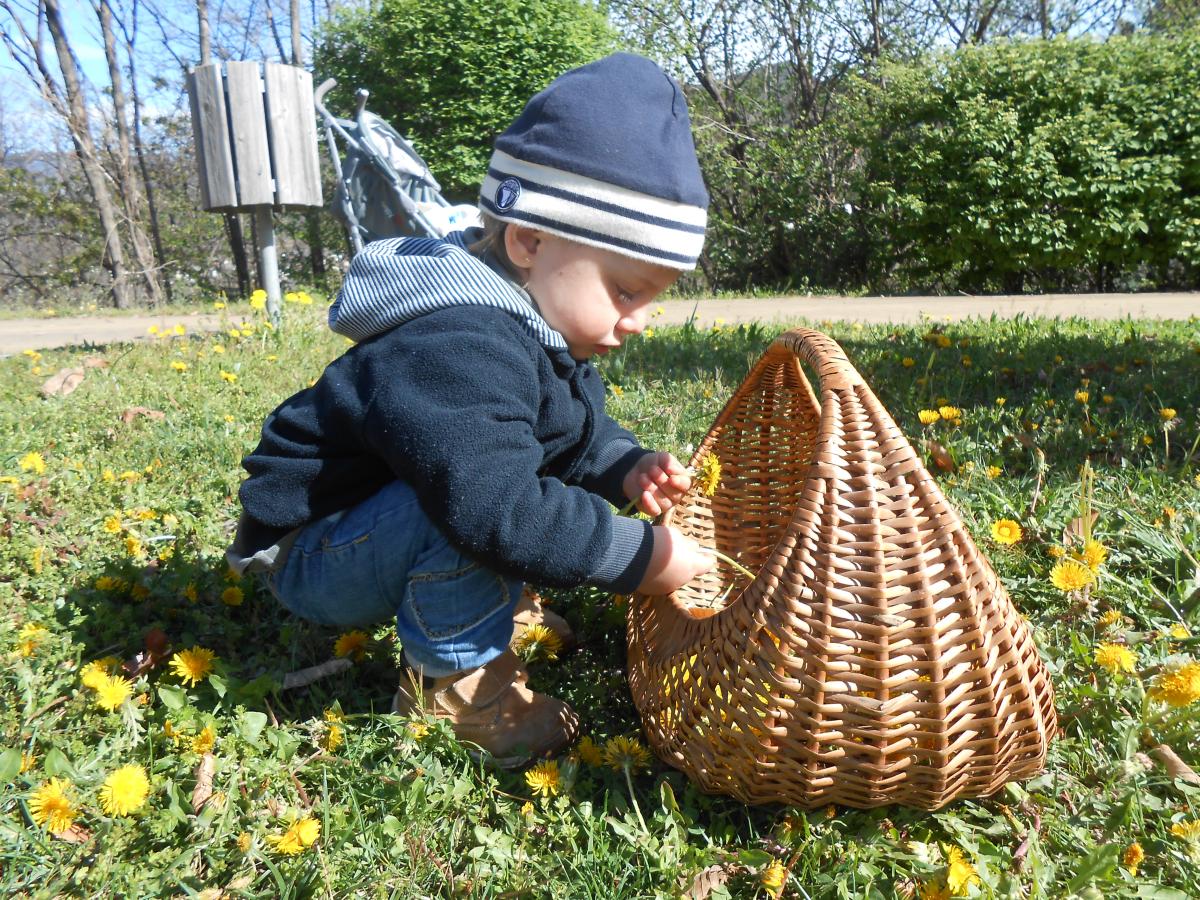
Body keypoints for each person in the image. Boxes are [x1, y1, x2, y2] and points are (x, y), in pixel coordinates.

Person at [226, 52, 715, 768]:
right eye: (625, 290)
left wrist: (625, 466)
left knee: (490, 489)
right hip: (315, 550)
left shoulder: (530, 321)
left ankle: (483, 603)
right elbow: (490, 506)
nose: (640, 318)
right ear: (529, 241)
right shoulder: (460, 341)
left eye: (652, 297)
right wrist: (640, 556)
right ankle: (455, 691)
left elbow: (564, 435)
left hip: (380, 518)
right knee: (476, 508)